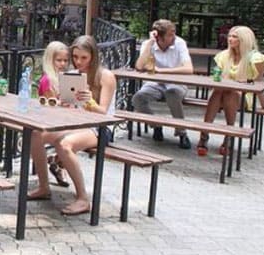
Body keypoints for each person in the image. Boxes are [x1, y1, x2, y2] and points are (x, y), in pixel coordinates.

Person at [26, 35, 116, 215]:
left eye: (84, 57)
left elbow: (104, 112)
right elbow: (69, 108)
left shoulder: (105, 76)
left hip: (100, 127)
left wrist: (90, 101)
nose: (78, 62)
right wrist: (63, 103)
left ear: (93, 56)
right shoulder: (73, 75)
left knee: (64, 144)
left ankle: (83, 198)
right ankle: (44, 187)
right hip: (76, 123)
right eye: (75, 57)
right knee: (35, 134)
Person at [197, 26, 264, 156]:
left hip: (244, 95)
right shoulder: (224, 55)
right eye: (229, 36)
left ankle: (229, 135)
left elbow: (259, 84)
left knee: (231, 92)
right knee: (219, 91)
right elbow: (218, 77)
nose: (230, 39)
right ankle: (204, 134)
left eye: (234, 36)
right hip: (222, 93)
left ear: (244, 39)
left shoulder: (256, 58)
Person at [132, 19, 194, 149]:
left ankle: (182, 132)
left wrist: (162, 71)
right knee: (138, 98)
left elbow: (189, 69)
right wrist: (150, 43)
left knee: (172, 94)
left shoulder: (179, 43)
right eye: (170, 34)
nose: (174, 36)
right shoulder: (148, 44)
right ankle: (156, 125)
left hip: (177, 83)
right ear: (159, 37)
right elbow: (139, 66)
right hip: (155, 83)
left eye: (174, 33)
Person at [35, 41, 71, 187]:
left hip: (65, 118)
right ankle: (58, 165)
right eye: (59, 60)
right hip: (50, 121)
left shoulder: (66, 77)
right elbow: (50, 105)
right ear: (50, 60)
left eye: (65, 60)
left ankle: (57, 163)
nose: (63, 64)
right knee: (68, 138)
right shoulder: (48, 80)